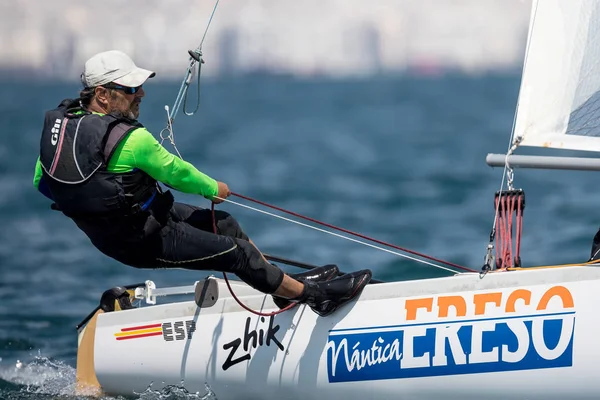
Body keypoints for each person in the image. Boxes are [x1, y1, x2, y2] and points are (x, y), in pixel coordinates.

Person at [33, 50, 372, 317]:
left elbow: (44, 182)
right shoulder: (132, 139)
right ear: (104, 96)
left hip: (127, 227)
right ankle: (315, 298)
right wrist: (214, 188)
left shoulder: (62, 134)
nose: (141, 94)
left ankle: (282, 284)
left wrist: (97, 207)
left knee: (224, 224)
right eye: (131, 89)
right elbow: (176, 173)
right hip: (141, 240)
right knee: (236, 253)